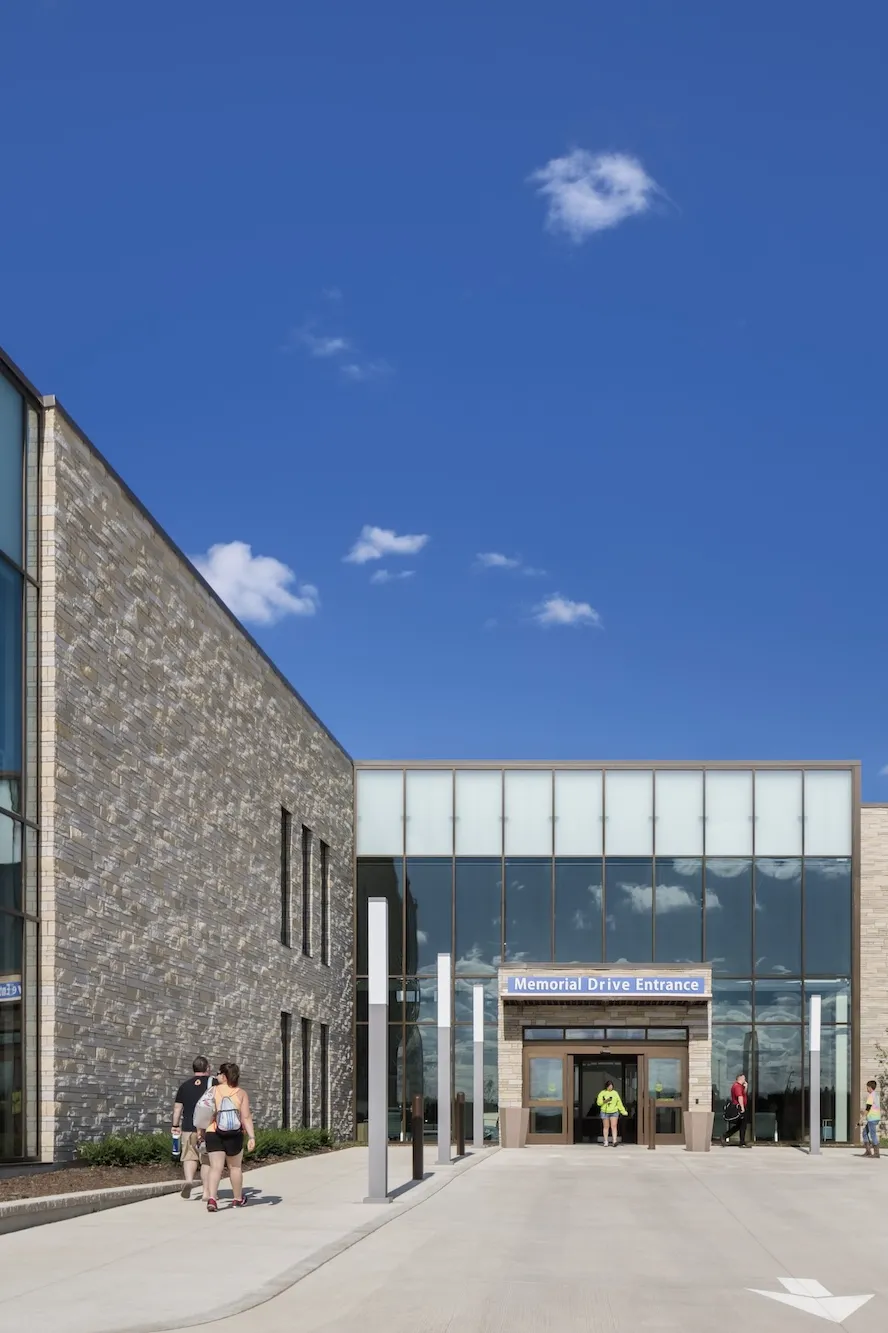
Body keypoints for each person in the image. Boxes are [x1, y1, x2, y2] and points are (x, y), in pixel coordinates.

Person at [201, 1062, 256, 1212]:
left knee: (215, 1167)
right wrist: (252, 1137)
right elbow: (246, 1117)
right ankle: (237, 1199)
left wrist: (200, 1131)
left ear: (224, 1077)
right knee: (235, 1167)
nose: (217, 1076)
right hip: (234, 1134)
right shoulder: (241, 1093)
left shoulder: (212, 1091)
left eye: (219, 1073)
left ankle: (212, 1198)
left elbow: (202, 1112)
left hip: (214, 1131)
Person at [171, 1057, 215, 1200]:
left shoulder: (184, 1086)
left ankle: (189, 1180)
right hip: (206, 1128)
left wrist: (175, 1126)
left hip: (188, 1128)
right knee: (206, 1160)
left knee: (189, 1157)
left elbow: (177, 1109)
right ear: (207, 1068)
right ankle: (206, 1192)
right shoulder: (213, 1083)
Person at [723, 1072, 750, 1147]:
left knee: (740, 1125)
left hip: (741, 1106)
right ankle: (742, 1142)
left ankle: (725, 1136)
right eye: (744, 1078)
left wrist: (746, 1087)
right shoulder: (737, 1086)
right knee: (743, 1125)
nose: (745, 1079)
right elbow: (740, 1097)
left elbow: (743, 1094)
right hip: (739, 1107)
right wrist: (742, 1108)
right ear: (740, 1078)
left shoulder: (740, 1086)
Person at [596, 1080, 628, 1146]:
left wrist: (623, 1111)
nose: (610, 1087)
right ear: (606, 1086)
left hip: (614, 1112)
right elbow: (598, 1103)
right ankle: (606, 1141)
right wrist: (605, 1101)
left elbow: (619, 1103)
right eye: (609, 1086)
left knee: (614, 1126)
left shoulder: (615, 1093)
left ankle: (614, 1141)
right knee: (606, 1127)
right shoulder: (602, 1093)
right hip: (605, 1112)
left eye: (611, 1086)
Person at [861, 1079, 881, 1159]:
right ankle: (868, 1151)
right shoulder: (876, 1095)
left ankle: (876, 1153)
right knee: (865, 1133)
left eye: (867, 1087)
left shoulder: (871, 1096)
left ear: (870, 1087)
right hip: (875, 1117)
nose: (866, 1089)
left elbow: (868, 1108)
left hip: (872, 1118)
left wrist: (862, 1118)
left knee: (873, 1135)